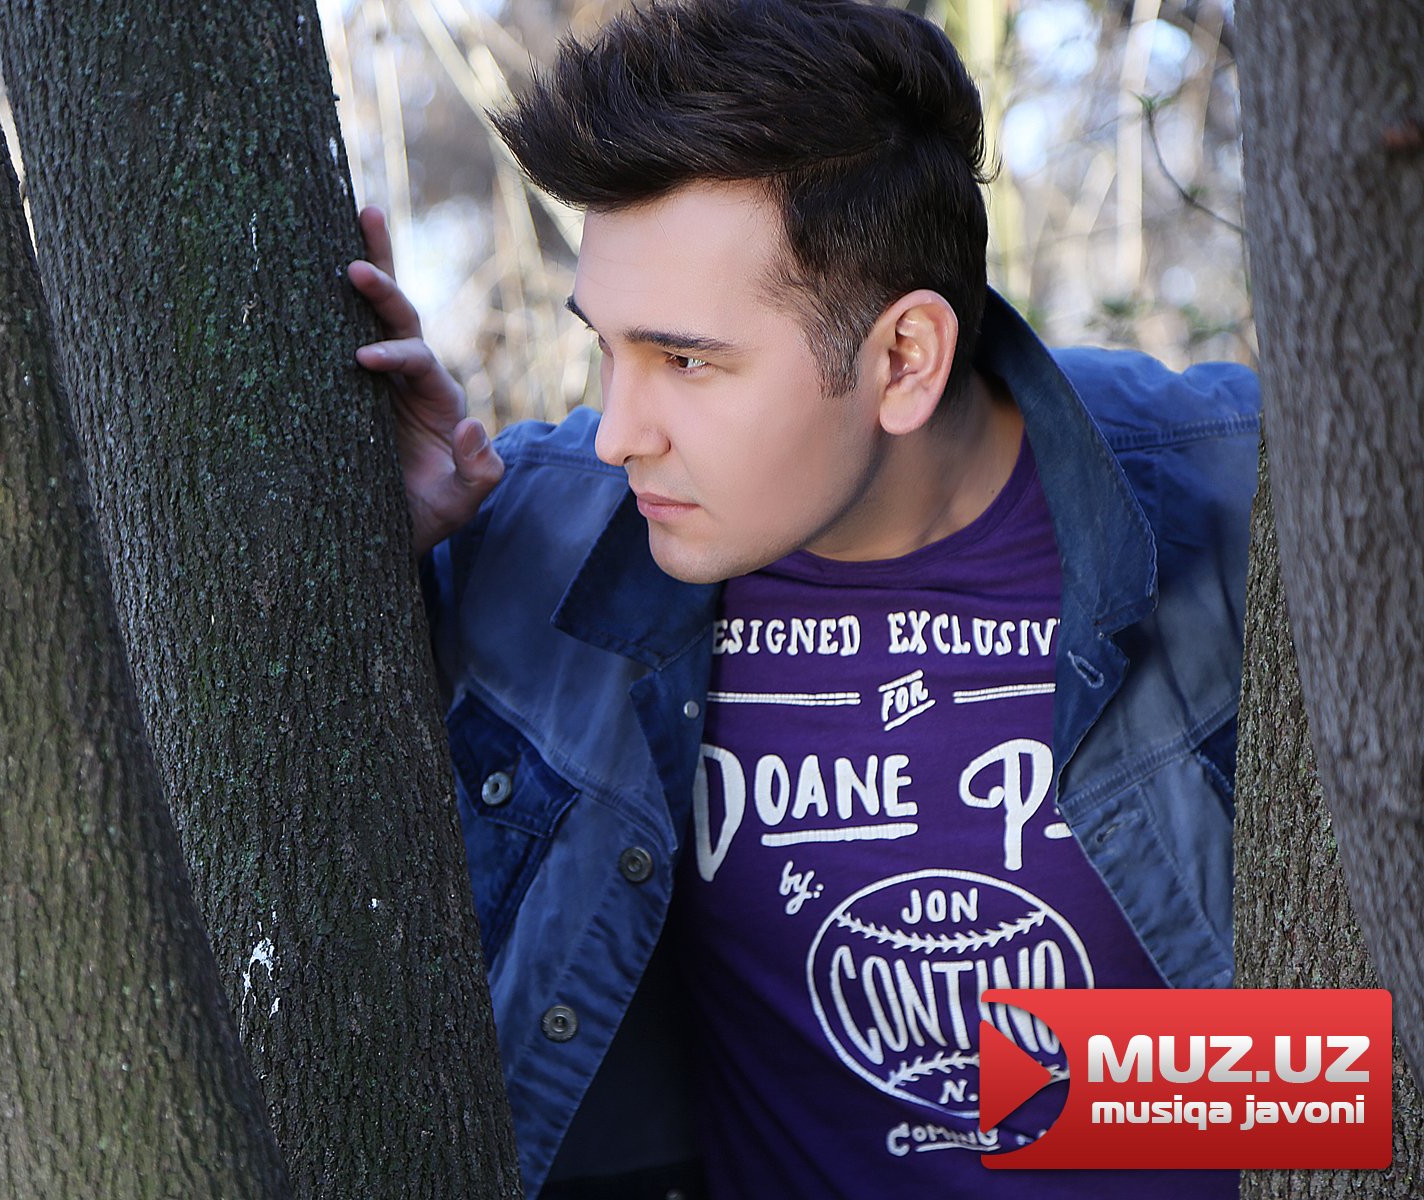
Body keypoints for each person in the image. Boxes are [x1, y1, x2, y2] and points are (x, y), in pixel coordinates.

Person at [348, 2, 1257, 1196]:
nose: (619, 432)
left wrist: (1034, 1080)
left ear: (904, 358)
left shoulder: (1245, 510)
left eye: (687, 361)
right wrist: (371, 540)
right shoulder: (536, 536)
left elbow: (1373, 1072)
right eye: (607, 350)